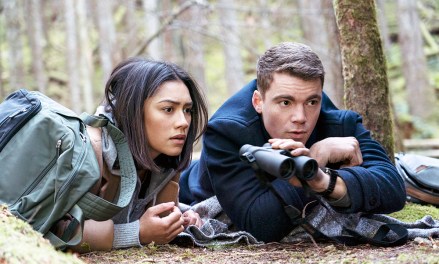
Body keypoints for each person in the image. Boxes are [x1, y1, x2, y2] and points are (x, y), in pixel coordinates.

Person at [179, 42, 406, 243]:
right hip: (195, 187)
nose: (301, 117)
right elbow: (259, 226)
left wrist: (324, 180)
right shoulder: (226, 130)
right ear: (258, 101)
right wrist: (313, 162)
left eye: (312, 102)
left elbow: (393, 190)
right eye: (285, 102)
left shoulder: (335, 121)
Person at [75, 57, 208, 252]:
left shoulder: (165, 159)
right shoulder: (88, 152)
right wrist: (137, 233)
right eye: (168, 109)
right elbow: (52, 230)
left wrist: (182, 217)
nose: (183, 122)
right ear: (133, 111)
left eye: (187, 110)